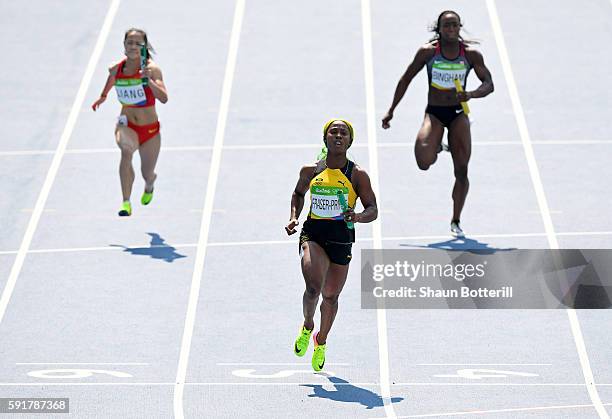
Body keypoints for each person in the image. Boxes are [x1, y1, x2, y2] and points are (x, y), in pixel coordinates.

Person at [382, 10, 493, 238]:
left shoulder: (471, 56)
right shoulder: (428, 52)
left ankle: (455, 219)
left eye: (455, 25)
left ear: (460, 27)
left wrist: (471, 94)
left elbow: (489, 84)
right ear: (439, 29)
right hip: (434, 113)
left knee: (461, 170)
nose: (451, 30)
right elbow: (406, 79)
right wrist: (391, 110)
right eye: (447, 26)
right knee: (423, 161)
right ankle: (440, 145)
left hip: (458, 114)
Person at [285, 119, 378, 371]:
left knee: (331, 296)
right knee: (313, 288)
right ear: (325, 139)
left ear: (349, 141)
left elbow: (373, 209)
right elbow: (298, 193)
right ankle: (307, 326)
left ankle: (321, 341)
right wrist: (294, 216)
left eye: (343, 133)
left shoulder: (357, 175)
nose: (338, 136)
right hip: (313, 233)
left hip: (341, 238)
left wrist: (357, 216)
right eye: (333, 132)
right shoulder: (310, 170)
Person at [92, 28, 168, 216]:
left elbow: (164, 98)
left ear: (144, 47)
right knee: (126, 152)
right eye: (129, 43)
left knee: (146, 173)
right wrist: (103, 96)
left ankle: (150, 183)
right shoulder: (117, 68)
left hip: (150, 131)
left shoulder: (152, 69)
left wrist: (148, 80)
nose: (133, 46)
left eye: (137, 43)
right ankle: (126, 202)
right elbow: (112, 78)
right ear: (124, 45)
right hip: (127, 125)